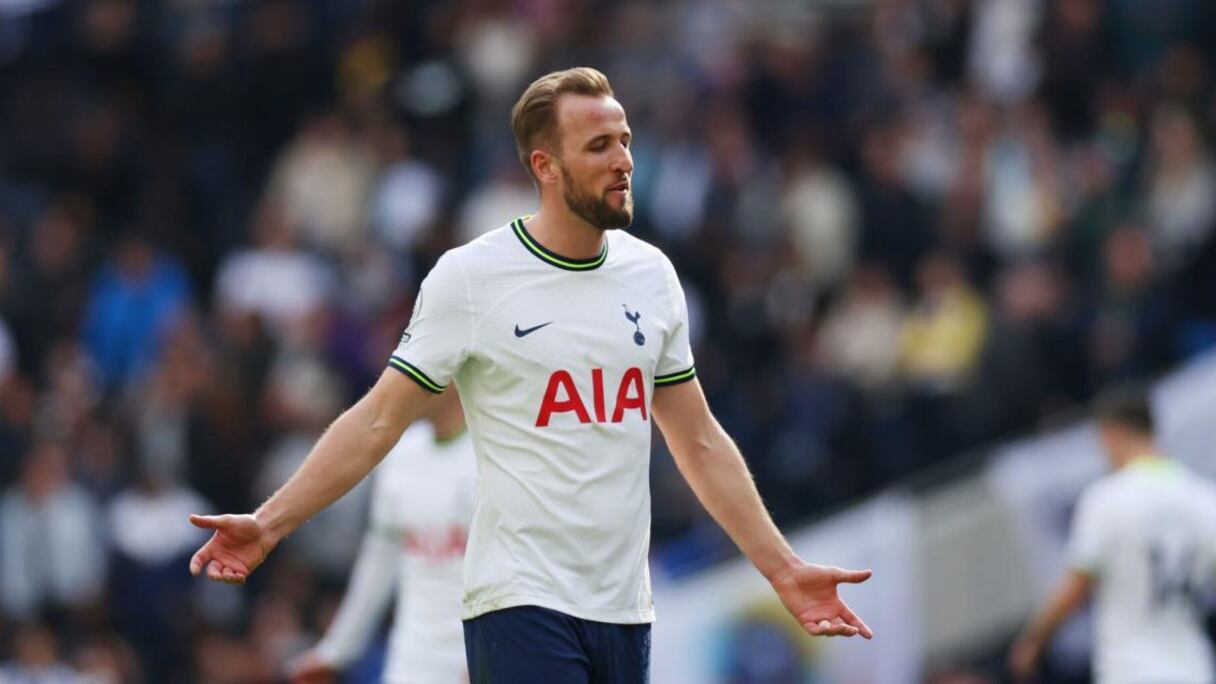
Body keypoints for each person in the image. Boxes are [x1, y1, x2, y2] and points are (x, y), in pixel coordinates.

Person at [189, 67, 872, 682]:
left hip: (624, 607)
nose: (624, 161)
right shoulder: (473, 278)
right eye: (599, 147)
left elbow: (697, 441)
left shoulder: (653, 277)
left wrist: (782, 568)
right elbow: (378, 418)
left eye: (625, 140)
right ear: (546, 166)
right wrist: (270, 523)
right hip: (520, 601)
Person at [1009, 385, 1216, 683]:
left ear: (1112, 433)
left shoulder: (1106, 499)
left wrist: (1032, 641)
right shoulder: (1203, 498)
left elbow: (1074, 589)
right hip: (1192, 670)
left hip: (1131, 671)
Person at [288, 390, 474, 683]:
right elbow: (379, 564)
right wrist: (335, 651)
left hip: (479, 657)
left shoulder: (491, 454)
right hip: (411, 659)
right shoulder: (401, 454)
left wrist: (489, 661)